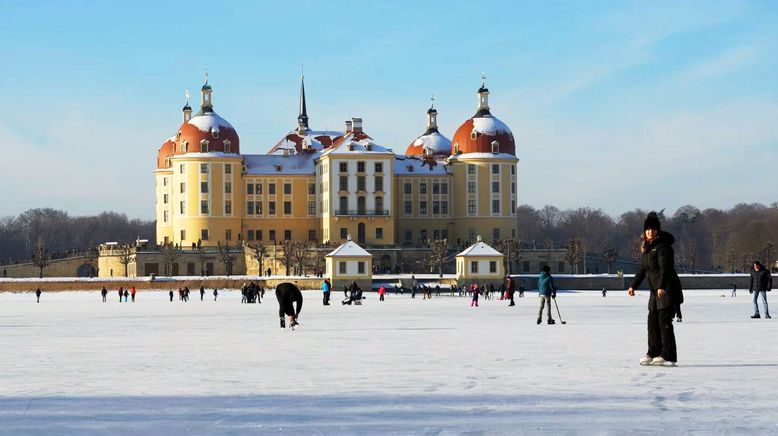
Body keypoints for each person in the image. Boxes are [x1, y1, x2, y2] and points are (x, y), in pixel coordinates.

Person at [627, 212, 683, 367]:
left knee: (664, 322)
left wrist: (661, 287)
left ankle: (668, 355)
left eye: (652, 229)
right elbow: (642, 270)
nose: (649, 232)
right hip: (655, 292)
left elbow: (666, 269)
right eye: (647, 230)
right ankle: (653, 352)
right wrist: (633, 286)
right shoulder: (647, 249)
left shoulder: (662, 247)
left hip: (667, 289)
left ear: (657, 231)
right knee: (652, 322)